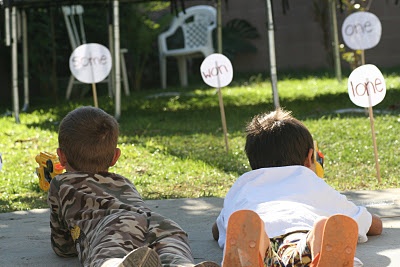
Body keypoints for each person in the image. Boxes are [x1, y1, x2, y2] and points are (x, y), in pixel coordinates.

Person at [48, 106, 219, 267]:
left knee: (109, 256)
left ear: (61, 157)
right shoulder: (123, 181)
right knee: (172, 250)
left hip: (112, 226)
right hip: (159, 223)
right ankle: (182, 264)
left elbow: (63, 247)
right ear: (115, 157)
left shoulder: (61, 183)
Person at [212, 108, 382, 267]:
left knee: (257, 237)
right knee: (312, 235)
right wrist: (374, 220)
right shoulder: (310, 181)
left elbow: (219, 229)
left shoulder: (243, 185)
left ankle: (257, 247)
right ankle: (315, 242)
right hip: (298, 237)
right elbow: (368, 224)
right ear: (309, 158)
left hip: (261, 239)